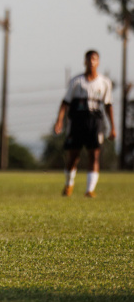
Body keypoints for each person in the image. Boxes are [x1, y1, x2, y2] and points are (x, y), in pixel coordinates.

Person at [53, 50, 115, 198]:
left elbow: (108, 105)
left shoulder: (104, 82)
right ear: (84, 62)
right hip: (77, 120)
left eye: (94, 59)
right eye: (89, 59)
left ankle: (90, 190)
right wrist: (59, 120)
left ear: (98, 62)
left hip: (95, 122)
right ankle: (68, 184)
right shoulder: (76, 81)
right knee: (73, 155)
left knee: (94, 154)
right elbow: (65, 102)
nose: (91, 62)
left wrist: (113, 127)